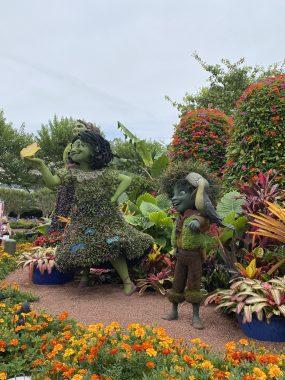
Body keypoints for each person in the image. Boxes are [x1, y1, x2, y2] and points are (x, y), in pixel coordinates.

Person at [24, 128, 153, 295]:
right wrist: (41, 165)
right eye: (74, 145)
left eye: (81, 145)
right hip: (82, 218)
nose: (75, 148)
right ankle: (85, 277)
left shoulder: (104, 173)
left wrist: (114, 198)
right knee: (83, 246)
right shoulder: (72, 173)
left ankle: (127, 282)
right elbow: (52, 182)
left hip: (106, 219)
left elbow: (126, 179)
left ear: (95, 150)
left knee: (111, 245)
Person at [162, 173, 215, 329]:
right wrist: (174, 247)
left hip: (194, 257)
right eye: (173, 195)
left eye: (181, 194)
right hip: (180, 255)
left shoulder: (199, 216)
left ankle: (196, 315)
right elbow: (176, 234)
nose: (174, 198)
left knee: (194, 284)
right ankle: (174, 310)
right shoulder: (179, 217)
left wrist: (197, 223)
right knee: (177, 283)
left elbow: (205, 223)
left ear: (194, 195)